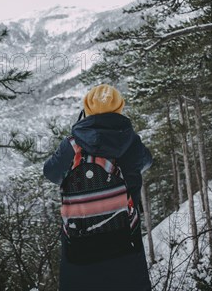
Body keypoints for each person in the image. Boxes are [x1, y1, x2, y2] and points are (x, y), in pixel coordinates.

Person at [44, 84, 153, 291]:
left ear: (86, 109)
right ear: (119, 108)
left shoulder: (72, 145)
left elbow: (50, 173)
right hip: (125, 241)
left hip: (79, 246)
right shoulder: (132, 142)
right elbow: (147, 162)